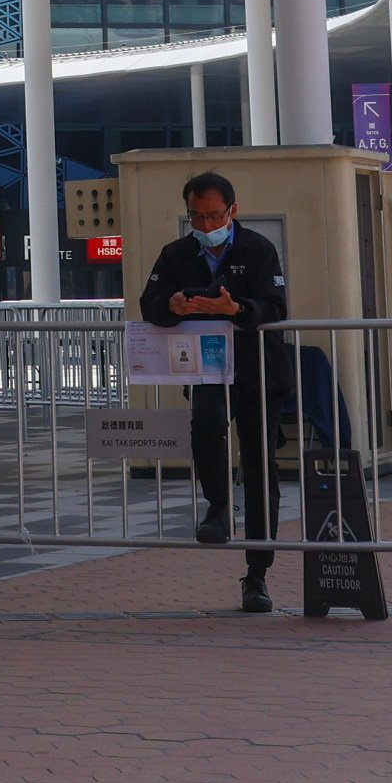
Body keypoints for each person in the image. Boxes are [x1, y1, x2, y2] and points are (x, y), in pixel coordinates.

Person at [136, 170, 286, 611]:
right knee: (205, 423)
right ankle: (218, 506)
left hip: (259, 370)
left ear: (232, 212)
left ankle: (257, 574)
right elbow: (149, 304)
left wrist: (236, 308)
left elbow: (276, 306)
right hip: (206, 368)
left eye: (213, 216)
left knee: (261, 468)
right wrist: (170, 305)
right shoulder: (176, 253)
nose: (205, 226)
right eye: (196, 217)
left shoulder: (259, 249)